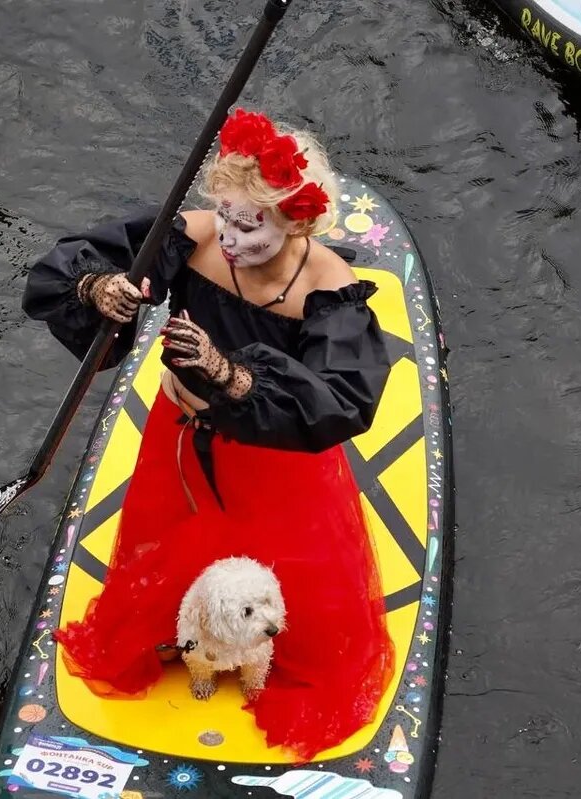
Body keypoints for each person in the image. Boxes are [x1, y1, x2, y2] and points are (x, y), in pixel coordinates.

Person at [23, 108, 395, 761]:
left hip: (276, 461)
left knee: (290, 576)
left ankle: (270, 648)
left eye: (250, 224)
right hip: (179, 437)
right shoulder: (194, 238)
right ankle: (178, 632)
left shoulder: (328, 289)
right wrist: (101, 287)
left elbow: (340, 402)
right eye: (223, 213)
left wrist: (233, 375)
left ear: (297, 222)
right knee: (168, 543)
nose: (229, 235)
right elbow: (85, 260)